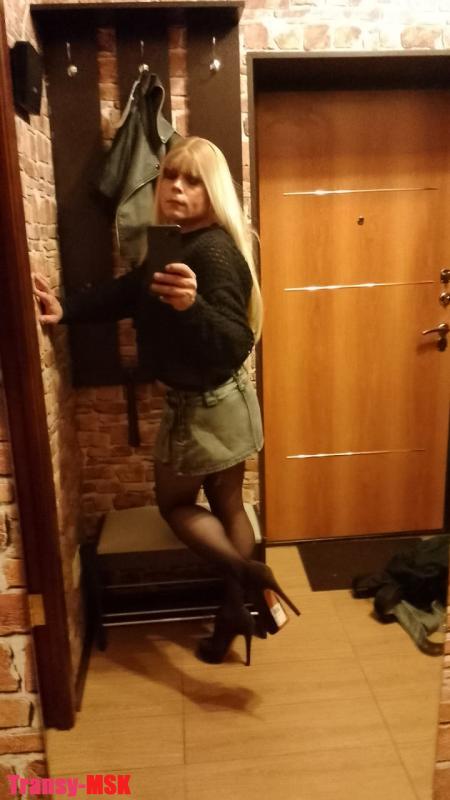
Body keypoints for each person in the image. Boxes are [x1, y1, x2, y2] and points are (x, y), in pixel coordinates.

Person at [32, 136, 299, 666]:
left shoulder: (211, 251)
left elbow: (235, 341)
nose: (176, 186)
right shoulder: (179, 243)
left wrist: (191, 306)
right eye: (170, 176)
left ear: (212, 190)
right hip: (222, 402)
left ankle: (248, 575)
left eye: (192, 179)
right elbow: (128, 291)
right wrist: (65, 309)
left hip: (205, 406)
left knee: (175, 506)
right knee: (227, 505)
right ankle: (234, 610)